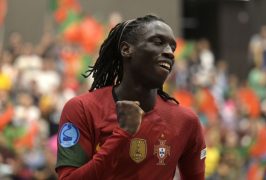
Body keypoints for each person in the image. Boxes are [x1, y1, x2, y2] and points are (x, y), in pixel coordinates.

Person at [55, 14, 206, 180]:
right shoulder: (82, 109)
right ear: (126, 49)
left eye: (173, 47)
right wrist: (123, 134)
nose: (170, 53)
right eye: (158, 42)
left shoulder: (186, 121)